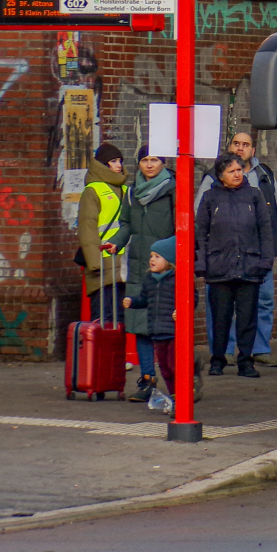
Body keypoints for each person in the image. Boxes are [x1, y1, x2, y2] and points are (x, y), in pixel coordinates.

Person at [196, 133, 277, 367]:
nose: (240, 148)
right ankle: (224, 353)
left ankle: (260, 350)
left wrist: (270, 246)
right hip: (221, 259)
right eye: (236, 143)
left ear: (253, 150)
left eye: (245, 145)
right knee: (221, 311)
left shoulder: (264, 175)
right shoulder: (211, 183)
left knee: (261, 304)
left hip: (255, 256)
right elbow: (200, 221)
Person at [106, 145, 174, 404]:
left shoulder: (172, 189)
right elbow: (126, 224)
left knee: (168, 326)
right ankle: (147, 379)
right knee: (140, 325)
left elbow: (184, 223)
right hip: (139, 264)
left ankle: (177, 380)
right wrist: (116, 242)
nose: (149, 164)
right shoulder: (132, 192)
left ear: (163, 163)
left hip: (167, 266)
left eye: (154, 159)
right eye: (145, 159)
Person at [123, 236, 202, 403]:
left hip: (174, 331)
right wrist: (133, 302)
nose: (152, 260)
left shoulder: (179, 278)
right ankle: (175, 395)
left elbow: (192, 299)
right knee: (165, 369)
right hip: (156, 331)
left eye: (157, 256)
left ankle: (184, 393)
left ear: (169, 260)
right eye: (151, 256)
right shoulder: (149, 280)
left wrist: (181, 311)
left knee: (175, 366)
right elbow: (145, 299)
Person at [78, 143, 127, 330]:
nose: (118, 165)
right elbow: (87, 227)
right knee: (103, 318)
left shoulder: (124, 190)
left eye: (120, 161)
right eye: (113, 161)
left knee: (120, 319)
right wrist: (94, 262)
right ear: (102, 165)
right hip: (102, 264)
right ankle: (100, 359)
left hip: (121, 263)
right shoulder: (93, 190)